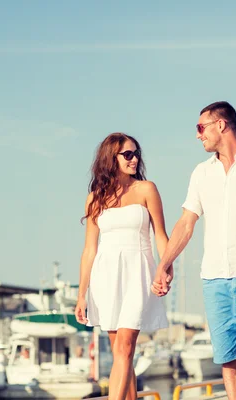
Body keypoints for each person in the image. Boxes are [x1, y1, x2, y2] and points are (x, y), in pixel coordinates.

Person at [152, 101, 236, 400]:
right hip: (214, 278)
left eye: (201, 128)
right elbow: (186, 223)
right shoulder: (201, 174)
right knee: (229, 360)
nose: (198, 135)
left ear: (221, 125)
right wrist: (163, 264)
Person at [75, 132, 170, 400]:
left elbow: (160, 235)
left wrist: (165, 266)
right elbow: (89, 250)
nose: (134, 158)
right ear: (110, 158)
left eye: (136, 153)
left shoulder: (146, 189)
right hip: (106, 276)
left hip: (138, 272)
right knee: (121, 353)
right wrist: (82, 294)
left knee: (125, 348)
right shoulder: (95, 198)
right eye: (127, 154)